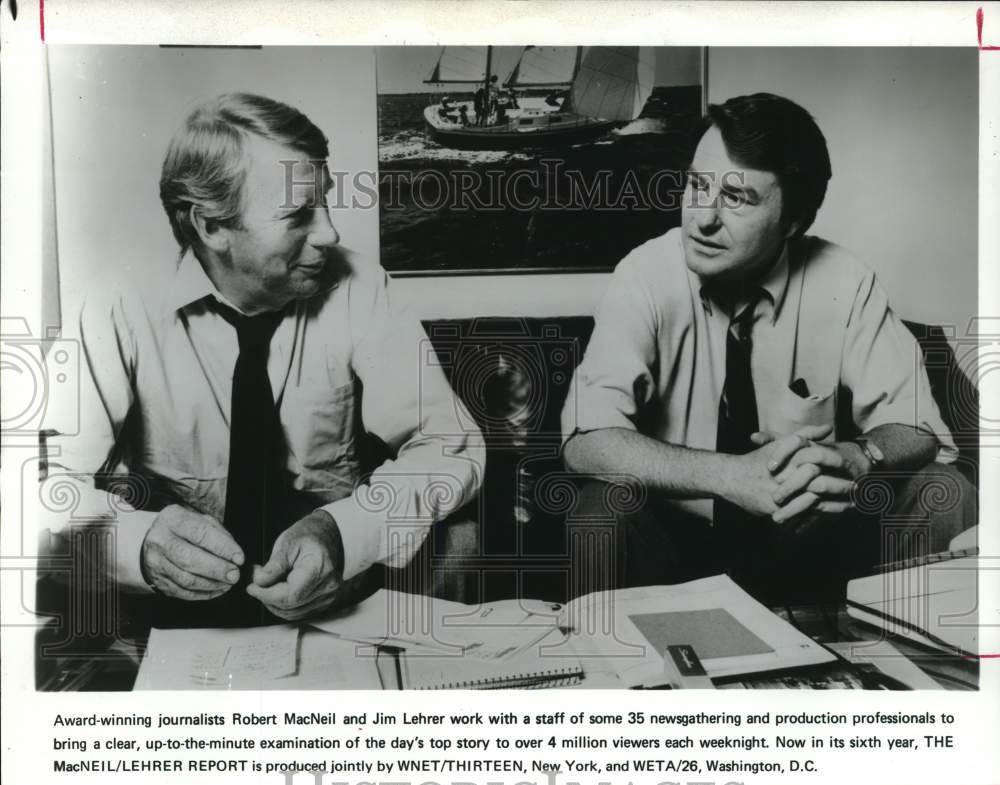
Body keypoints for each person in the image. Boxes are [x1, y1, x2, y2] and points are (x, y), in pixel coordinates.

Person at [42, 93, 484, 627]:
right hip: (162, 613)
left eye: (326, 204)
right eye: (298, 215)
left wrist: (345, 535)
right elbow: (37, 480)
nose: (330, 233)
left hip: (337, 600)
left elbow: (449, 445)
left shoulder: (361, 287)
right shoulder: (116, 304)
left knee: (461, 531)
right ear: (212, 228)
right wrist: (138, 546)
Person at [561, 92, 975, 601]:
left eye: (737, 198)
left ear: (794, 221)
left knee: (944, 491)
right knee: (600, 510)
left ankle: (922, 667)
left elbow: (917, 426)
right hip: (674, 543)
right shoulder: (645, 275)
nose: (702, 218)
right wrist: (730, 476)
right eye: (697, 185)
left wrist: (859, 453)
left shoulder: (844, 279)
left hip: (807, 540)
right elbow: (586, 437)